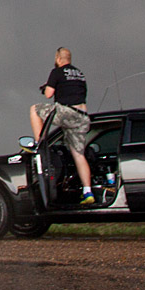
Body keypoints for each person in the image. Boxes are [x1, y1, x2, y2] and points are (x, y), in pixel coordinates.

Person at [29, 47, 97, 206]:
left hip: (68, 112)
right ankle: (88, 191)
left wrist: (47, 86)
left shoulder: (57, 72)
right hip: (82, 117)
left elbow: (49, 94)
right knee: (78, 154)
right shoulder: (80, 74)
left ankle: (40, 144)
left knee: (35, 110)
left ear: (58, 59)